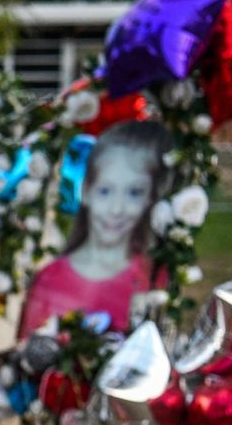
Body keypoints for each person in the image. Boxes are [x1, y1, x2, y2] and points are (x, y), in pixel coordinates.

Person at [17, 121, 171, 340]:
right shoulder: (50, 281)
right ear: (86, 190)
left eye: (134, 192)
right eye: (105, 191)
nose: (117, 209)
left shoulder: (154, 278)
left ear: (150, 198)